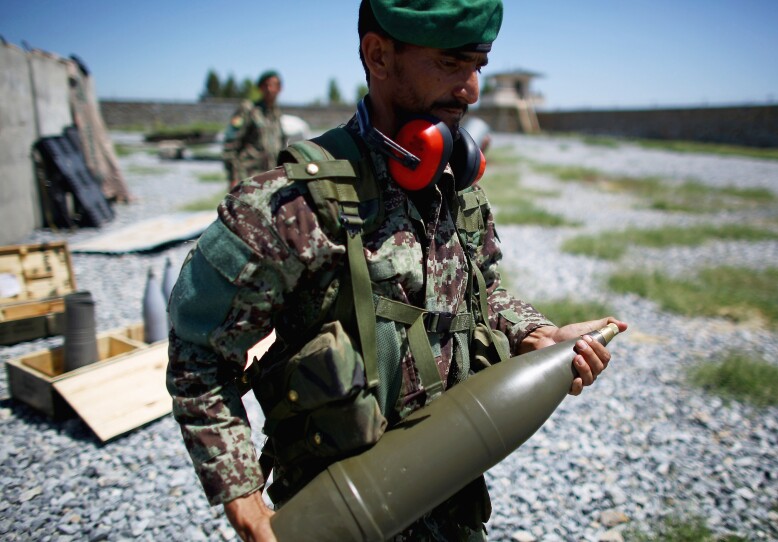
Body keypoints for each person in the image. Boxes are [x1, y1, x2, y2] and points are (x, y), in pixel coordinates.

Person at [166, 1, 627, 541]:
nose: (472, 89)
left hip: (449, 505)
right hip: (340, 513)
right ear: (379, 56)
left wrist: (539, 334)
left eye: (478, 65)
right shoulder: (289, 205)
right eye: (453, 64)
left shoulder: (456, 188)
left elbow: (483, 292)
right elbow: (197, 354)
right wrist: (245, 500)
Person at [221, 70, 285, 189]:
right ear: (260, 88)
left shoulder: (276, 115)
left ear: (280, 89)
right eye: (266, 85)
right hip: (249, 176)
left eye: (274, 85)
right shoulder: (249, 110)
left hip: (270, 178)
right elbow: (230, 144)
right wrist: (233, 177)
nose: (270, 89)